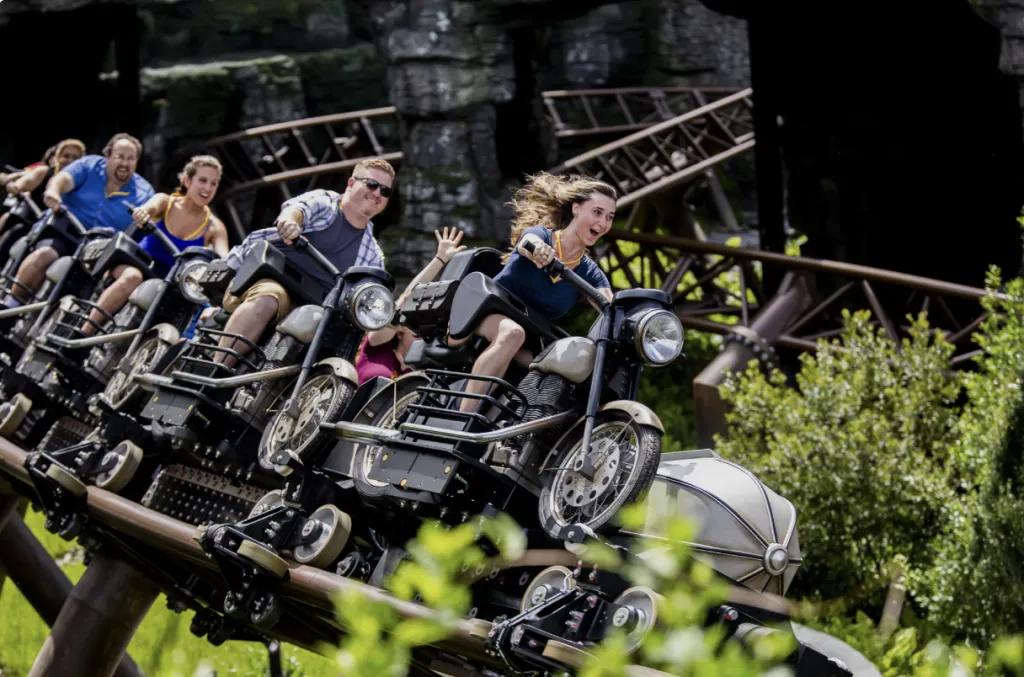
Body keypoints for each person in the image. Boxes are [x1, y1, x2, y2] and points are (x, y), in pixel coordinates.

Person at [457, 172, 616, 412]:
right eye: (597, 212)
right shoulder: (542, 235)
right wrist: (538, 250)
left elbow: (610, 304)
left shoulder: (590, 272)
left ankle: (520, 430)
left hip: (531, 333)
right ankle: (464, 418)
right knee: (512, 333)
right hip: (488, 306)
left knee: (556, 371)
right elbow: (527, 242)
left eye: (610, 217)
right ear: (576, 209)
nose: (603, 223)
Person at [212, 157, 394, 365]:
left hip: (316, 311)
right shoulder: (325, 203)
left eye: (385, 191)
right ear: (351, 183)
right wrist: (290, 222)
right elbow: (298, 209)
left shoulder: (373, 255)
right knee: (269, 298)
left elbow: (369, 299)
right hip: (269, 281)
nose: (378, 194)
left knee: (334, 342)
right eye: (372, 185)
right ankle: (216, 371)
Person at [79, 154, 230, 336]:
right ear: (187, 181)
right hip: (141, 266)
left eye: (214, 183)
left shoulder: (215, 226)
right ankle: (85, 332)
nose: (208, 188)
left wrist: (227, 266)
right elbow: (149, 207)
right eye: (203, 180)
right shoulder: (166, 202)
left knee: (197, 311)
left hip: (174, 284)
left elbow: (224, 257)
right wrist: (143, 213)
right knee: (131, 277)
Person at [6, 133, 154, 305]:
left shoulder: (144, 191)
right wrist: (54, 191)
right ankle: (11, 305)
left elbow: (147, 218)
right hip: (66, 230)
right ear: (107, 156)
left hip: (99, 247)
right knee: (44, 254)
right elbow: (63, 179)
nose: (124, 163)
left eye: (131, 159)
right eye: (120, 157)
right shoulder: (89, 165)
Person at [355, 226, 466, 383]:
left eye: (424, 336)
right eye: (416, 335)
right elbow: (406, 299)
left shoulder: (416, 374)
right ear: (400, 333)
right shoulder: (377, 345)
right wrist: (440, 259)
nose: (421, 340)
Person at [0, 139, 86, 260]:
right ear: (57, 157)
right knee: (15, 232)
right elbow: (26, 182)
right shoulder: (44, 171)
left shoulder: (81, 185)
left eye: (75, 158)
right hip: (29, 223)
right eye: (66, 156)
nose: (70, 161)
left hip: (54, 232)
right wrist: (16, 186)